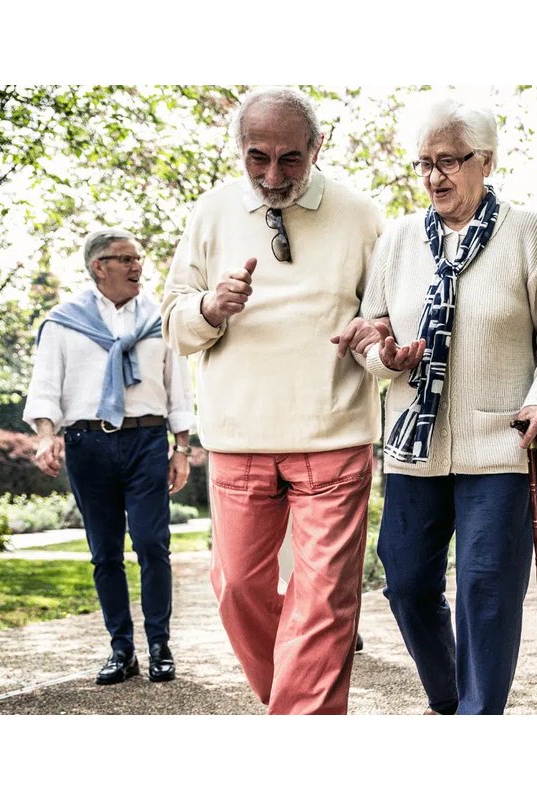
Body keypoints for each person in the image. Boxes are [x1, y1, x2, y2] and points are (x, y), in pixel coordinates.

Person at [346, 99, 537, 714]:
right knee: (406, 582)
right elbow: (370, 329)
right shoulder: (398, 240)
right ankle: (451, 700)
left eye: (448, 161)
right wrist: (384, 356)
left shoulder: (526, 233)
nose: (434, 176)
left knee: (487, 590)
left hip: (499, 443)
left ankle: (479, 718)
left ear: (487, 161)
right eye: (424, 163)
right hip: (414, 444)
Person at [160, 87, 386, 714]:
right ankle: (294, 701)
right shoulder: (210, 214)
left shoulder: (362, 216)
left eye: (291, 158)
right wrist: (211, 307)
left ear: (318, 147)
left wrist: (380, 348)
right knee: (236, 588)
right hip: (238, 437)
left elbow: (382, 324)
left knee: (324, 601)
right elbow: (174, 325)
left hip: (333, 436)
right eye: (257, 158)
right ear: (239, 149)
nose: (273, 175)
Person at [24, 228, 194, 686]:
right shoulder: (64, 322)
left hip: (146, 441)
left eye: (138, 258)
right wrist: (45, 436)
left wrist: (182, 448)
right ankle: (122, 649)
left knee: (152, 543)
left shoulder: (160, 318)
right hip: (88, 444)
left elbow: (178, 389)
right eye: (127, 259)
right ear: (99, 266)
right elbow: (46, 387)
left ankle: (159, 646)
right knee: (105, 553)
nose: (138, 266)